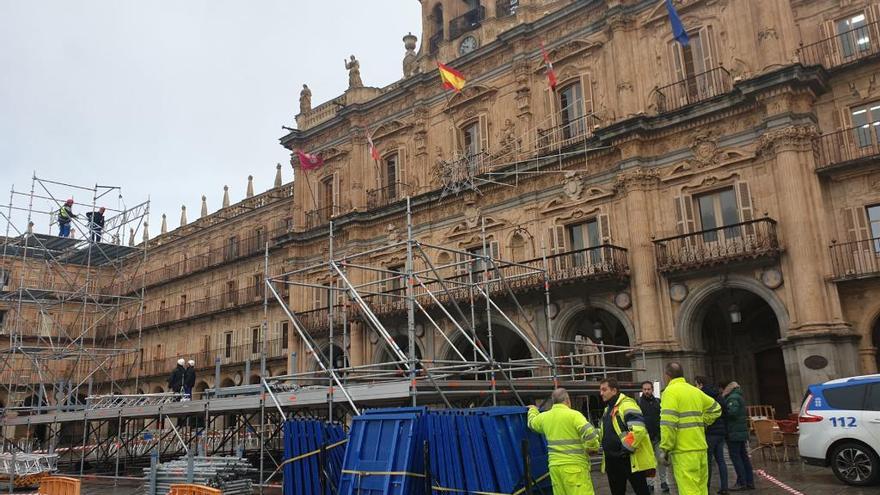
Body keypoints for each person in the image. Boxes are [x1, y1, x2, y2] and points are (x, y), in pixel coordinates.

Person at [659, 362, 723, 495]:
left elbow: (668, 423)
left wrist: (665, 448)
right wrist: (703, 421)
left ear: (667, 376)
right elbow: (716, 409)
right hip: (700, 448)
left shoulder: (669, 392)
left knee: (689, 490)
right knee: (701, 489)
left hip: (683, 451)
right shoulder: (694, 391)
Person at [528, 388, 600, 495]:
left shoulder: (545, 417)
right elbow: (590, 433)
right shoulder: (574, 415)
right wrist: (592, 447)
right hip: (574, 467)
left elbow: (531, 423)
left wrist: (533, 410)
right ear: (567, 400)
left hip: (555, 468)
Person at [599, 378, 654, 495]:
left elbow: (638, 430)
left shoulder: (627, 404)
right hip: (612, 461)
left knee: (641, 491)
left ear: (614, 391)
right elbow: (605, 433)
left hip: (628, 459)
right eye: (600, 390)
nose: (601, 393)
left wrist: (625, 449)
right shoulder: (607, 409)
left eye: (604, 390)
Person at [695, 376, 729, 495]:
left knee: (707, 462)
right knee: (721, 461)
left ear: (700, 384)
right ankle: (725, 487)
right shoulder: (718, 394)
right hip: (721, 432)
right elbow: (725, 410)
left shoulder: (702, 395)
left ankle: (706, 489)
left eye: (696, 385)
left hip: (710, 432)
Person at [722, 381, 755, 491]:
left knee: (737, 458)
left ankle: (741, 482)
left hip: (734, 432)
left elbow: (732, 412)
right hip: (740, 432)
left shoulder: (732, 398)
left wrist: (723, 412)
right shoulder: (738, 395)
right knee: (744, 457)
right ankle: (749, 481)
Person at [637, 381, 669, 493]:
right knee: (649, 462)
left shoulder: (658, 402)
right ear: (642, 390)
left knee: (661, 459)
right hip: (646, 438)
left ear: (652, 390)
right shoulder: (638, 404)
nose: (646, 391)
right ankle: (650, 483)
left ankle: (664, 481)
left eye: (648, 389)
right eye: (644, 389)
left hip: (658, 436)